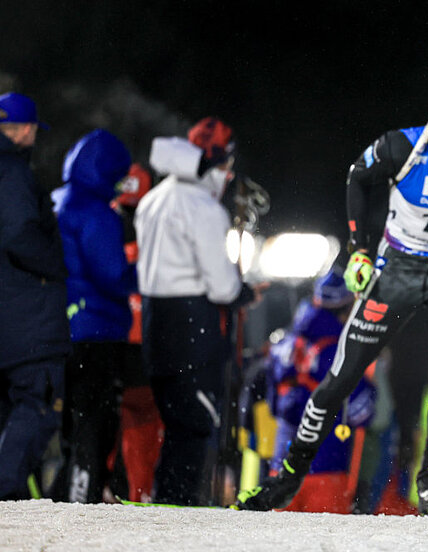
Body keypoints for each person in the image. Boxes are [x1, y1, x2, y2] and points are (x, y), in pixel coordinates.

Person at [236, 67, 428, 515]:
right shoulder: (403, 146)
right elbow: (358, 178)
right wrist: (360, 250)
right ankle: (286, 478)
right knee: (342, 375)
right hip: (399, 267)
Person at [135, 117, 255, 505]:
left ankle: (164, 499)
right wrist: (241, 293)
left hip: (155, 323)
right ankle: (177, 507)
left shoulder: (153, 199)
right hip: (191, 327)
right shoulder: (203, 207)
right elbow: (221, 286)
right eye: (226, 165)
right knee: (195, 425)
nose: (228, 175)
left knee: (173, 422)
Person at [52, 128, 138, 503]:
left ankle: (66, 494)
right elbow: (112, 275)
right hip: (96, 330)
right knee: (94, 423)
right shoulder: (96, 213)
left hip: (62, 328)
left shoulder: (58, 201)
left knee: (71, 423)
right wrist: (146, 273)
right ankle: (80, 502)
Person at [0, 92, 71, 500]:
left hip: (9, 317)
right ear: (26, 130)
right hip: (26, 319)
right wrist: (56, 266)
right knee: (37, 405)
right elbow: (18, 235)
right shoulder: (12, 172)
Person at [263, 269, 377, 513]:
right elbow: (363, 413)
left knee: (276, 535)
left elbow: (271, 405)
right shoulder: (342, 354)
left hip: (282, 469)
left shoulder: (284, 344)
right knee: (327, 536)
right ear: (347, 308)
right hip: (328, 471)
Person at [112, 163, 164, 502]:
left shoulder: (103, 241)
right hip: (139, 352)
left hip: (114, 348)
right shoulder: (157, 252)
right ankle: (137, 495)